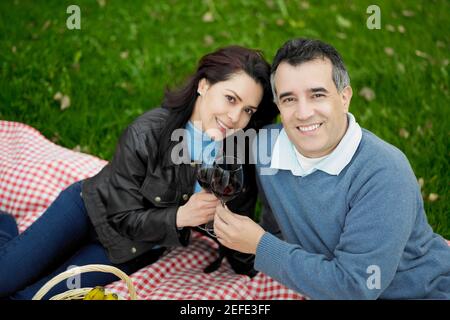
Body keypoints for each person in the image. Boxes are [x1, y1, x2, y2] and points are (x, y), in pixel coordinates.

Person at [0, 45, 278, 299]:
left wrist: (261, 268)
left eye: (247, 110)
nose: (235, 118)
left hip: (131, 248)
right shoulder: (148, 132)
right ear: (204, 85)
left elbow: (236, 222)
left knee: (30, 297)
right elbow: (121, 215)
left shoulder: (236, 152)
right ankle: (5, 225)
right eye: (230, 99)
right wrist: (181, 216)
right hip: (87, 211)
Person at [213, 38, 450, 299]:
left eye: (317, 95)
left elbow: (356, 288)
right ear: (278, 105)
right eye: (289, 99)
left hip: (416, 292)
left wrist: (260, 245)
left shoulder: (383, 174)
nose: (303, 113)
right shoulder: (267, 148)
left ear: (344, 97)